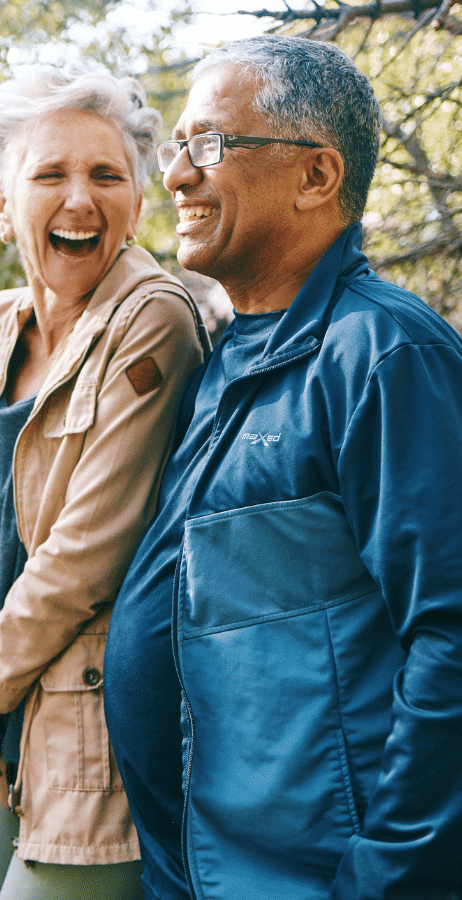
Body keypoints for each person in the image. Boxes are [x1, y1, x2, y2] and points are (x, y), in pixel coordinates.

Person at [103, 34, 462, 900]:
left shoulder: (381, 352)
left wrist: (384, 880)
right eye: (176, 146)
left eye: (212, 145)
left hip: (314, 880)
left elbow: (452, 637)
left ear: (316, 177)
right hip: (198, 871)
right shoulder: (228, 358)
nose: (180, 175)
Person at [0, 63, 209, 900]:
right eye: (49, 174)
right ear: (1, 206)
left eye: (106, 175)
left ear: (139, 203)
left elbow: (88, 551)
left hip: (94, 736)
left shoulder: (154, 318)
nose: (79, 199)